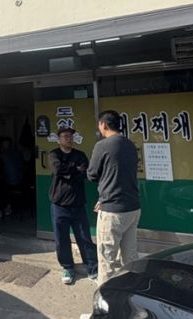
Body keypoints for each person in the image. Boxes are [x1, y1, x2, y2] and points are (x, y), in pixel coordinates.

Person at [87, 109, 141, 286]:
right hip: (132, 208)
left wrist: (105, 197)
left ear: (103, 124)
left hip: (112, 211)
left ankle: (106, 306)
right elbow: (119, 175)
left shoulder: (103, 145)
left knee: (107, 261)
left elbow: (92, 174)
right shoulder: (130, 144)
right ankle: (133, 294)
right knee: (130, 257)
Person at [49, 127, 98, 285]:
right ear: (59, 139)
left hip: (78, 204)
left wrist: (71, 171)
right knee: (61, 239)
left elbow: (85, 173)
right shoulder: (54, 154)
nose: (68, 139)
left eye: (70, 136)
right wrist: (74, 169)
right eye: (65, 136)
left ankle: (92, 267)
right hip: (59, 204)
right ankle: (67, 267)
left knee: (84, 237)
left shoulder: (80, 155)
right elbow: (57, 169)